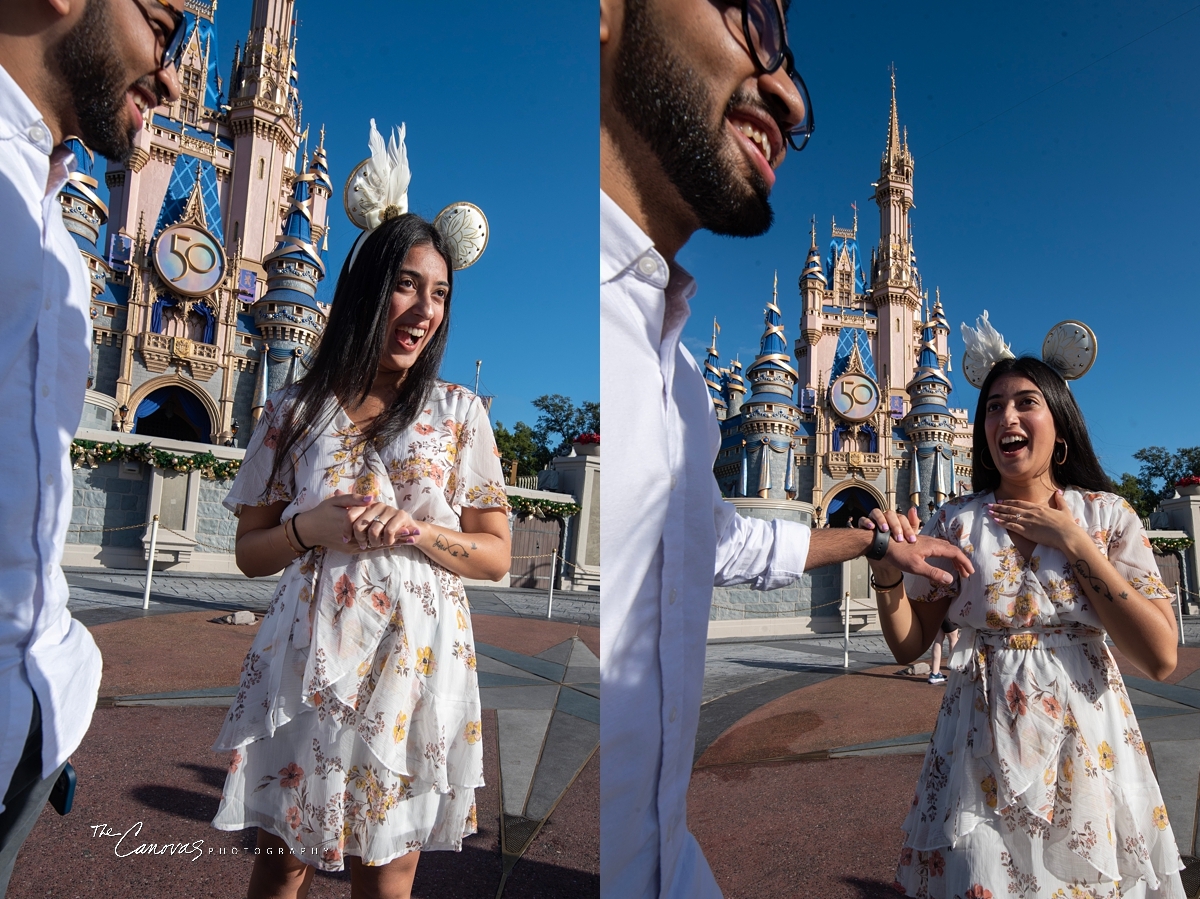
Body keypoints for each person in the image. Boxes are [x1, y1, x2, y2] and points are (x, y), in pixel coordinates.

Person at [600, 1, 974, 895]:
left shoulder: (679, 380)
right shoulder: (612, 328)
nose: (790, 98)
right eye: (747, 17)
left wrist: (876, 541)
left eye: (790, 54)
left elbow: (729, 539)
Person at [210, 212, 511, 899]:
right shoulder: (294, 410)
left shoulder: (460, 412)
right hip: (312, 658)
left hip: (416, 663)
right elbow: (250, 553)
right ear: (367, 290)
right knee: (283, 856)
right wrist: (309, 526)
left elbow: (495, 555)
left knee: (389, 868)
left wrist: (415, 532)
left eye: (439, 294)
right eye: (407, 286)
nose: (425, 310)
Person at [861, 349, 1185, 899]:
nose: (1006, 417)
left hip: (1087, 739)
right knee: (981, 872)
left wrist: (1074, 541)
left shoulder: (1105, 516)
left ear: (1060, 426)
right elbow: (910, 645)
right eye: (992, 407)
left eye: (1025, 403)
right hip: (978, 743)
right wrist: (886, 573)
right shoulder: (956, 522)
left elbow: (1160, 657)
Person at [0, 0, 182, 892]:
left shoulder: (63, 252)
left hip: (27, 732)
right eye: (164, 23)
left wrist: (51, 700)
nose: (175, 72)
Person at [927, 618, 958, 685]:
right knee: (953, 638)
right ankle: (955, 674)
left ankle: (934, 674)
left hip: (935, 613)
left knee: (938, 639)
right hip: (945, 612)